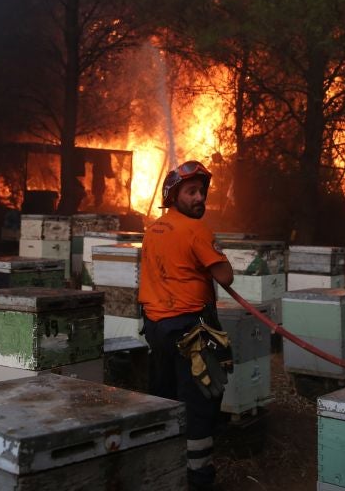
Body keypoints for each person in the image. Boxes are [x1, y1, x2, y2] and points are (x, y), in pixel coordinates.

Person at [139, 160, 234, 491]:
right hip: (190, 332)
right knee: (200, 404)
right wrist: (213, 254)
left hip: (156, 329)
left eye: (201, 191)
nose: (199, 198)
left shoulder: (153, 229)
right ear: (173, 195)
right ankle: (198, 478)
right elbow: (226, 276)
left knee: (165, 397)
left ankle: (165, 470)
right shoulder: (197, 231)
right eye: (191, 192)